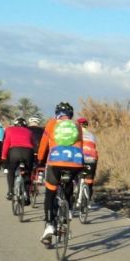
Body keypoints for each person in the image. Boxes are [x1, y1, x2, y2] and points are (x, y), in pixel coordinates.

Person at [36, 102, 85, 244]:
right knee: (69, 183)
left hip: (55, 162)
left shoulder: (52, 124)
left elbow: (44, 144)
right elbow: (81, 145)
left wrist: (40, 160)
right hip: (75, 162)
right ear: (71, 115)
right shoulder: (77, 125)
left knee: (50, 193)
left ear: (57, 113)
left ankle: (49, 225)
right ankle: (68, 211)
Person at [1, 116, 35, 202]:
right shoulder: (29, 131)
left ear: (15, 124)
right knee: (28, 173)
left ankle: (10, 191)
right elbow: (33, 144)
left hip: (14, 152)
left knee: (11, 171)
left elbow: (6, 143)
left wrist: (3, 156)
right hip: (27, 152)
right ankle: (27, 195)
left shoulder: (9, 130)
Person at [78, 117, 99, 202]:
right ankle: (88, 200)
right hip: (92, 158)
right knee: (89, 180)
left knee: (74, 175)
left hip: (80, 157)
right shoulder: (91, 135)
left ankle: (76, 193)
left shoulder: (76, 134)